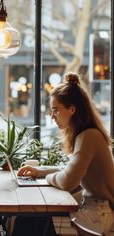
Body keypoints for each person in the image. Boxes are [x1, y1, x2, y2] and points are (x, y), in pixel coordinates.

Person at [14, 72, 114, 235]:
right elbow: (70, 169)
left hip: (99, 215)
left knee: (33, 219)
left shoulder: (89, 136)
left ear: (72, 109)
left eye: (56, 110)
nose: (52, 116)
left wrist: (46, 178)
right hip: (94, 209)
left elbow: (68, 180)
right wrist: (39, 172)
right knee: (33, 218)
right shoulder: (87, 134)